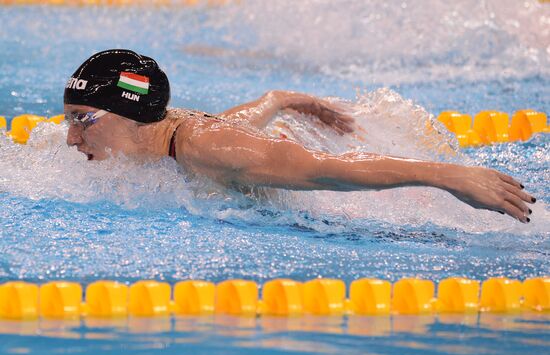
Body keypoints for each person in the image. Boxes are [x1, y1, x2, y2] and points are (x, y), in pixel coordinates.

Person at [64, 49, 536, 223]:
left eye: (82, 119)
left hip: (351, 199)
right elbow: (232, 132)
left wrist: (449, 175)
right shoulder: (167, 134)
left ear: (130, 116)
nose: (70, 139)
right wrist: (278, 100)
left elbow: (326, 170)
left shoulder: (206, 146)